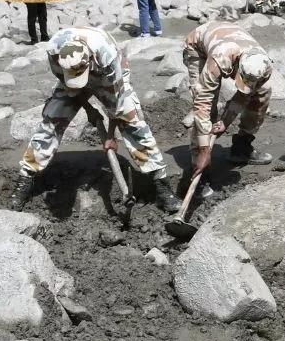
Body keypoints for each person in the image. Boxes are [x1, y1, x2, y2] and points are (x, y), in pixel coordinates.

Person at [10, 26, 179, 213]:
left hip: (110, 72)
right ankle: (25, 179)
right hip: (76, 71)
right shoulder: (55, 52)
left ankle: (162, 186)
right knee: (51, 121)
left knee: (134, 124)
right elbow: (71, 88)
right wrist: (89, 109)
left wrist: (110, 136)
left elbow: (116, 105)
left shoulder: (106, 56)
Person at [183, 21, 274, 196]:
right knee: (207, 111)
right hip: (199, 46)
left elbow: (246, 92)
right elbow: (202, 103)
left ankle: (241, 147)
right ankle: (200, 170)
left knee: (262, 91)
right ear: (238, 65)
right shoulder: (220, 59)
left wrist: (225, 121)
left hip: (232, 44)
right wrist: (204, 149)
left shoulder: (264, 65)